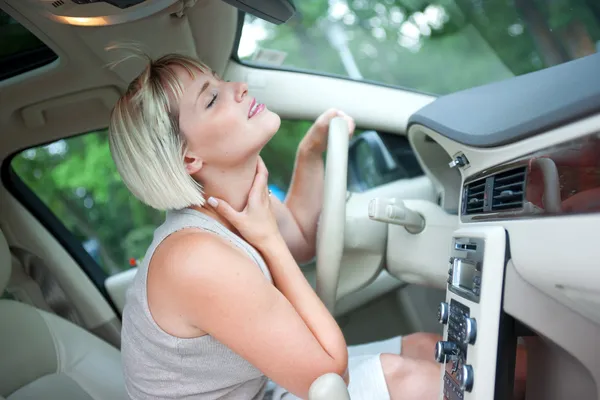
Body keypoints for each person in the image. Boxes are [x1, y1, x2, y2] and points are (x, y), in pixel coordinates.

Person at [109, 53, 442, 400]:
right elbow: (328, 376)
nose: (239, 87)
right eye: (211, 98)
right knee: (411, 380)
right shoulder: (194, 258)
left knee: (426, 347)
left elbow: (299, 236)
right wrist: (268, 240)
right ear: (188, 158)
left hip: (257, 388)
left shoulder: (236, 202)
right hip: (274, 389)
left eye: (221, 81)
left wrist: (310, 152)